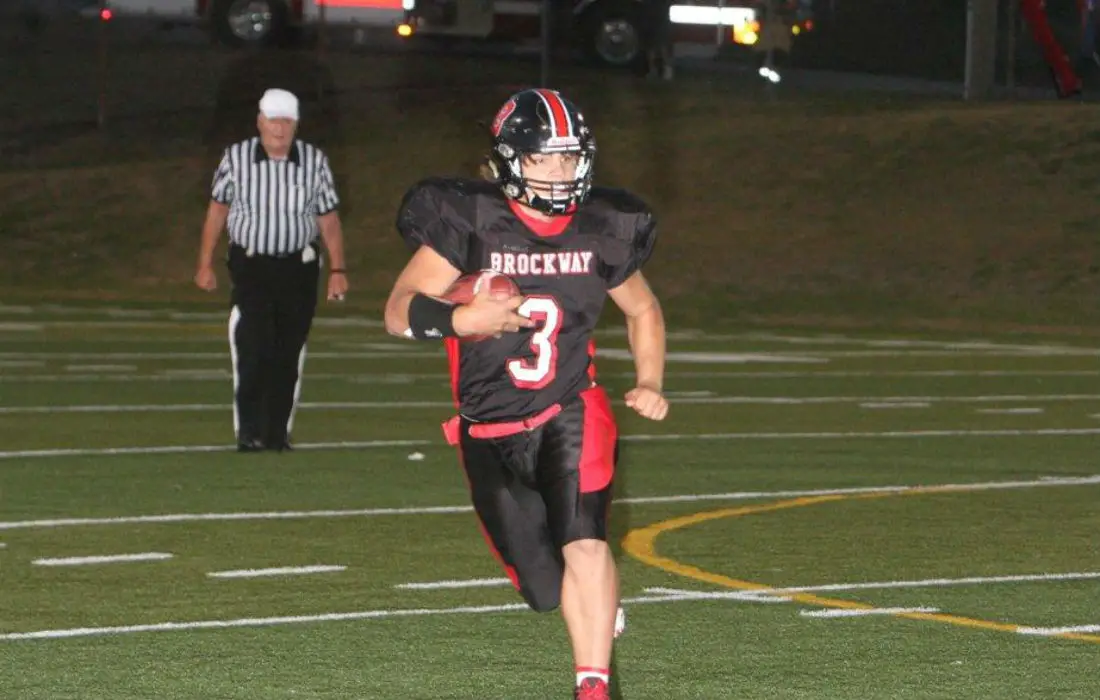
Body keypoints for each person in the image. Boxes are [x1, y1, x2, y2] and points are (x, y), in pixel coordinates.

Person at [383, 88, 668, 700]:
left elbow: (642, 309)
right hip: (487, 427)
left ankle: (592, 686)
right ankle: (587, 600)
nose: (560, 172)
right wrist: (460, 319)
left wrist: (649, 380)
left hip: (571, 410)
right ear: (511, 159)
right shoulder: (471, 221)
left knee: (587, 543)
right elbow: (397, 311)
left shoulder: (601, 227)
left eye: (569, 158)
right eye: (544, 158)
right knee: (544, 589)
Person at [194, 88, 348, 452]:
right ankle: (249, 431)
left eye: (286, 121)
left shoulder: (313, 161)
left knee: (288, 350)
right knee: (254, 346)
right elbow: (217, 211)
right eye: (273, 121)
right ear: (260, 122)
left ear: (296, 124)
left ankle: (276, 433)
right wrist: (205, 263)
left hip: (298, 267)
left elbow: (328, 219)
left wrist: (338, 269)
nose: (279, 129)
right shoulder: (236, 158)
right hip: (252, 265)